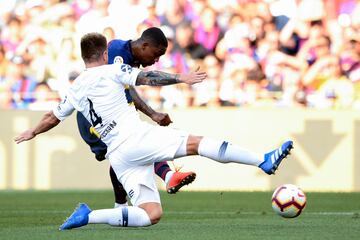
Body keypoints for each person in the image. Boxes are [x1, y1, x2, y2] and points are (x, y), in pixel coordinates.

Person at [14, 32, 293, 230]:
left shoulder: (73, 89)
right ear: (103, 54)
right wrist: (180, 78)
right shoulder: (111, 70)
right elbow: (146, 77)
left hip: (119, 155)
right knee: (197, 143)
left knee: (151, 214)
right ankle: (262, 160)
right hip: (134, 137)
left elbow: (53, 116)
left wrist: (32, 132)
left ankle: (88, 216)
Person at [77, 27, 197, 208]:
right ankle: (166, 177)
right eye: (156, 54)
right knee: (130, 147)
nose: (156, 60)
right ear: (144, 45)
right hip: (94, 120)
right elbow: (126, 88)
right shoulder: (118, 52)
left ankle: (121, 207)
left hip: (108, 117)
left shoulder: (129, 58)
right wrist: (153, 113)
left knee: (127, 151)